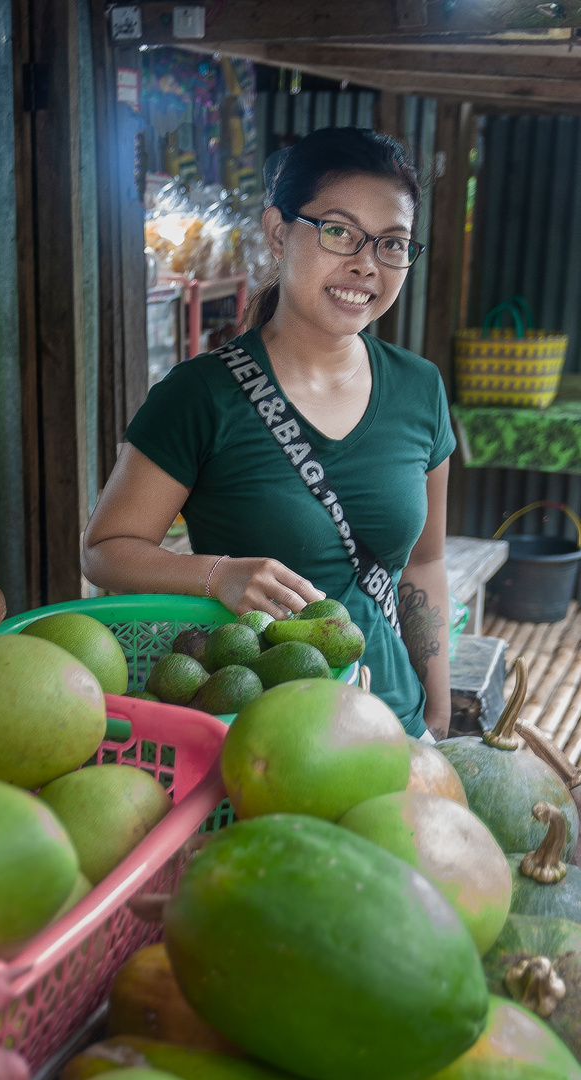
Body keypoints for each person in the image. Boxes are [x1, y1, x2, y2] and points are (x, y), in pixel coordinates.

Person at [81, 126, 456, 742]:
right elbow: (104, 550)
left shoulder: (420, 389)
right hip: (262, 738)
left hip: (395, 726)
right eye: (339, 232)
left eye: (393, 244)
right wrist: (218, 575)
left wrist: (435, 715)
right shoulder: (201, 395)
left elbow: (425, 561)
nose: (366, 263)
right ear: (279, 232)